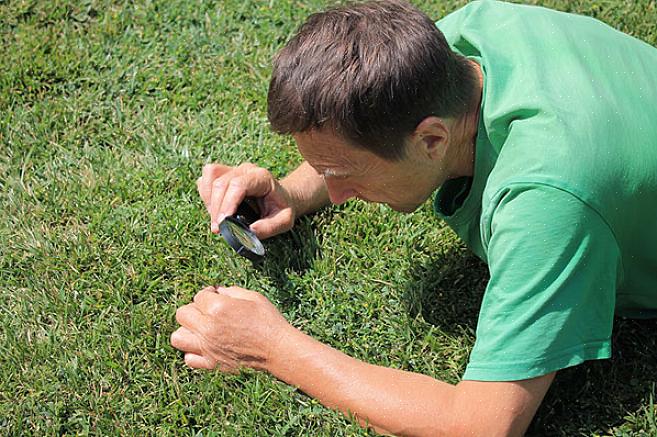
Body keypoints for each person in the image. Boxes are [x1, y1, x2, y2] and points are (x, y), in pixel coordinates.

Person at [170, 0, 657, 434]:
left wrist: (272, 347)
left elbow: (481, 426)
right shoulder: (472, 34)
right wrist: (292, 191)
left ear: (432, 140)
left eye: (340, 173)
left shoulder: (547, 201)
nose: (336, 195)